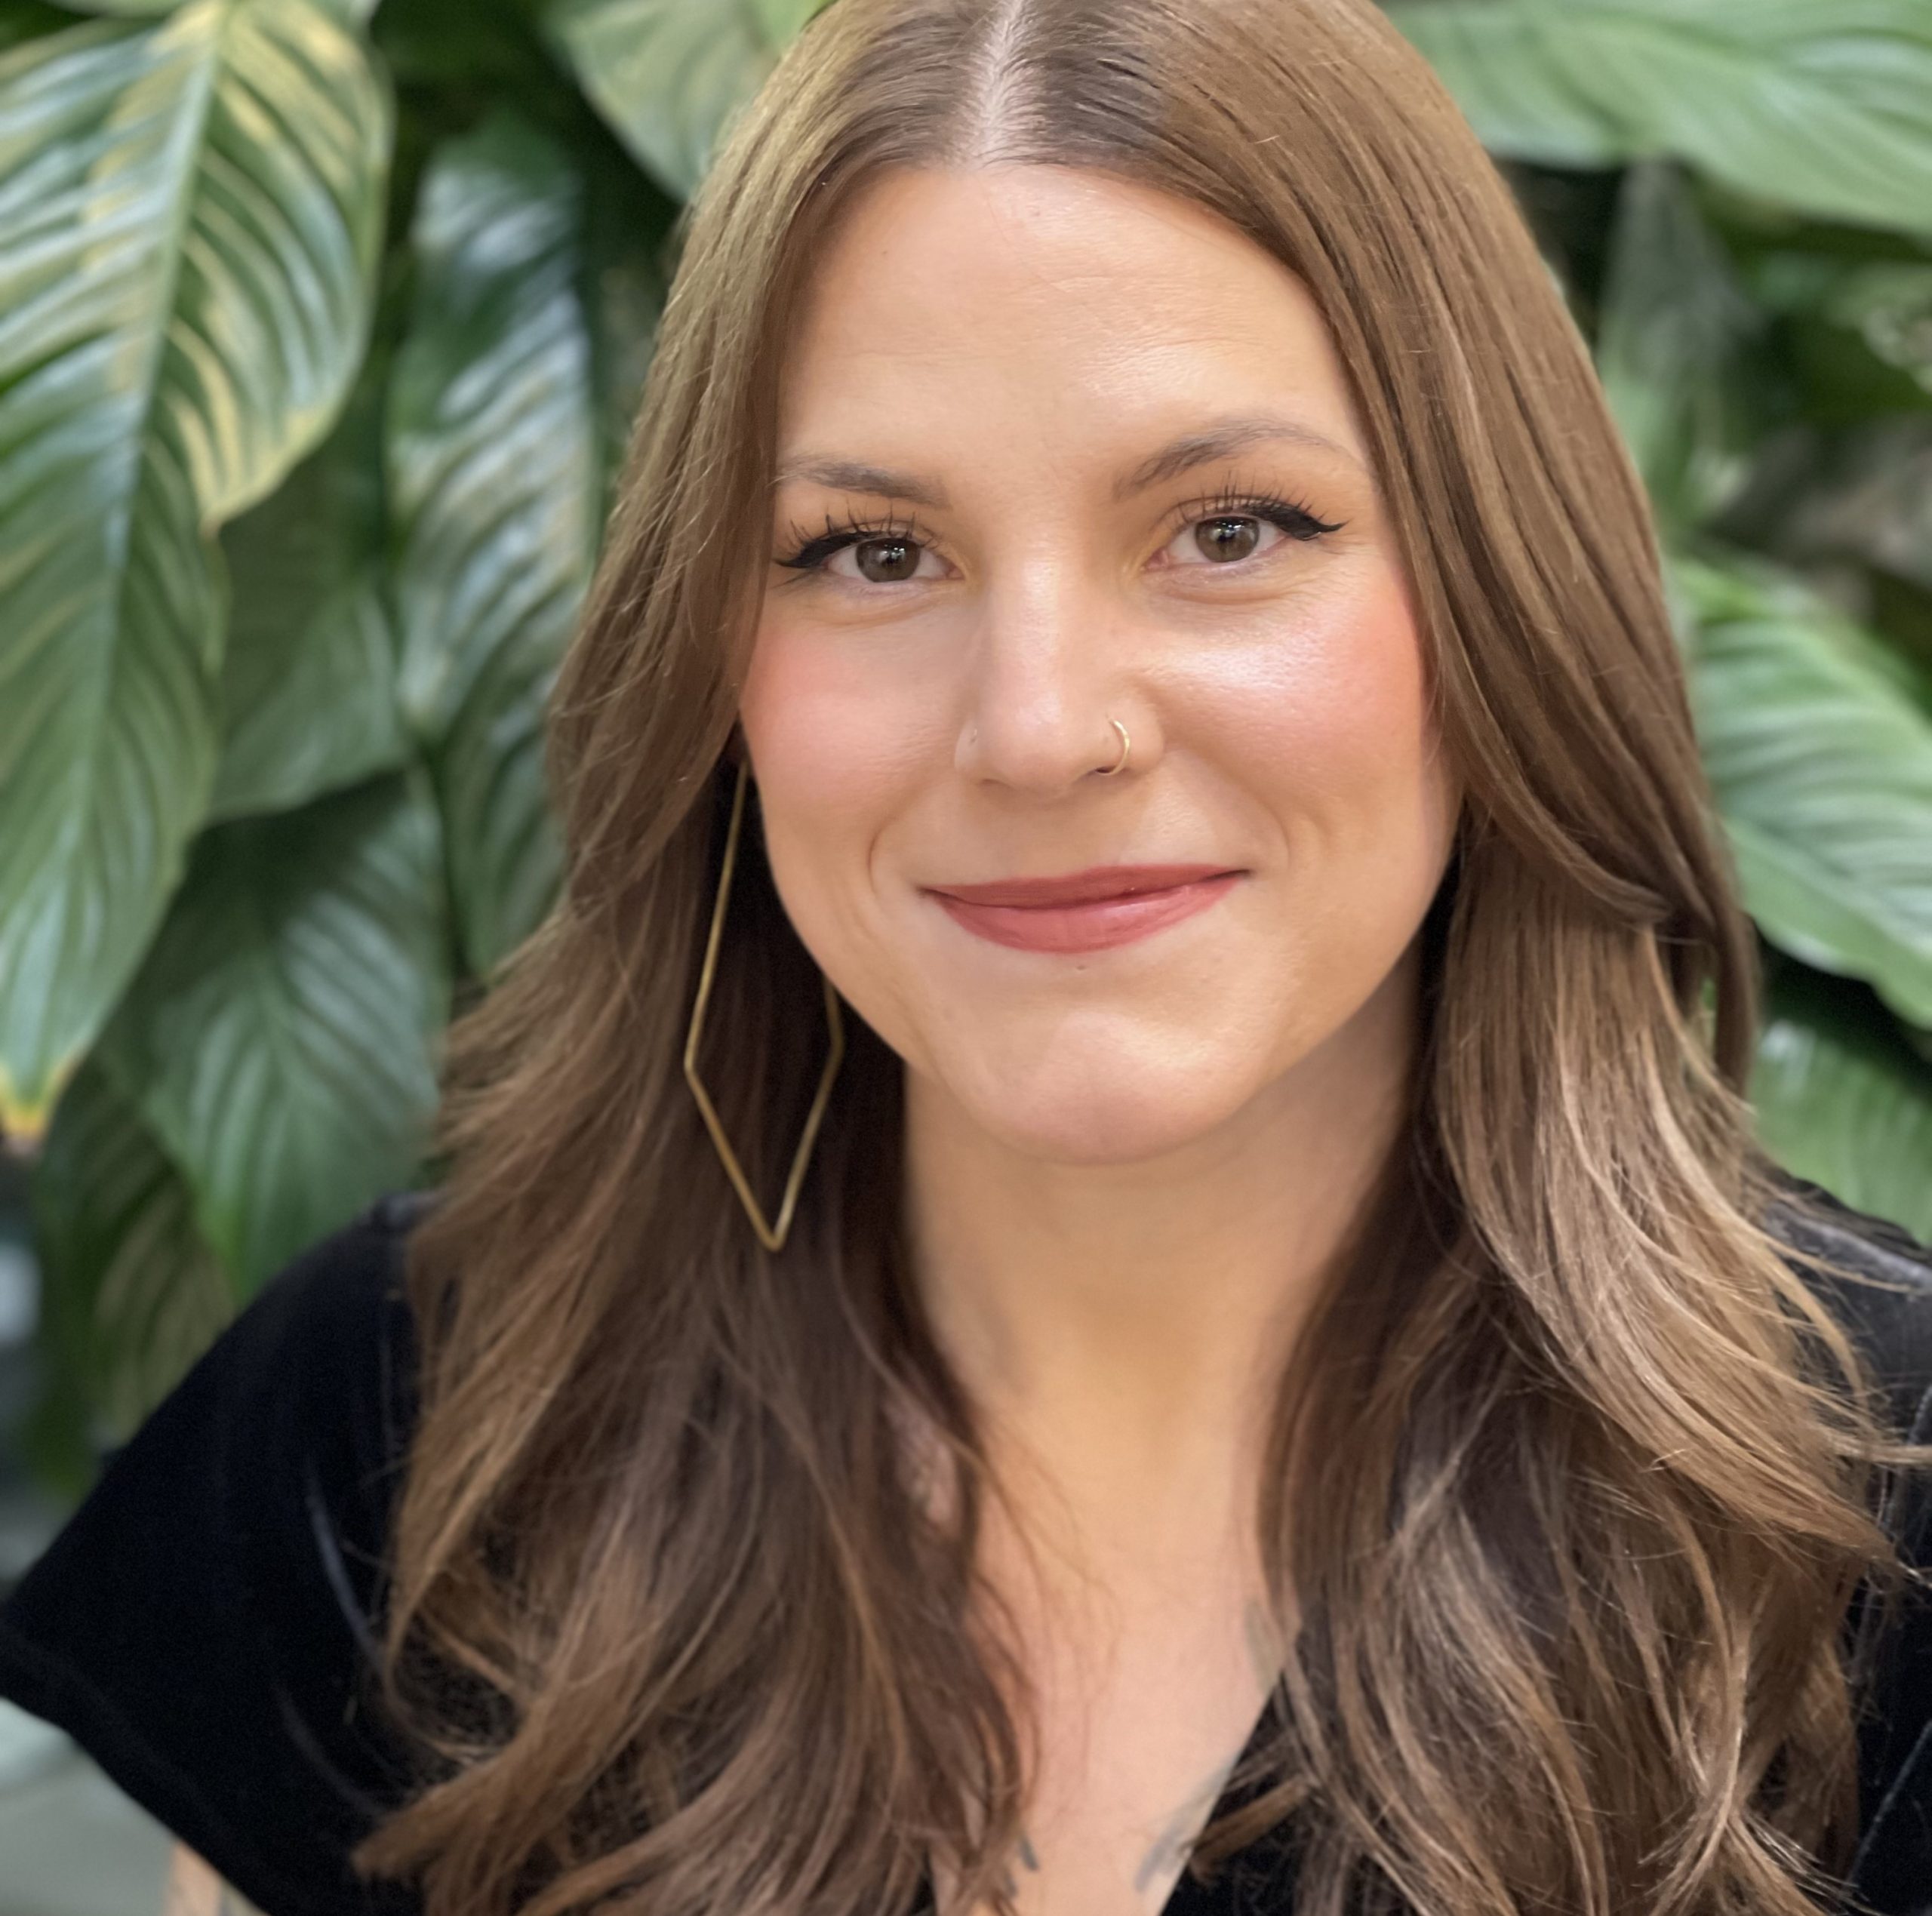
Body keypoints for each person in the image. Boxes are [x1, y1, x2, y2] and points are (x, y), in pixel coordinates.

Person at [5, 1, 1932, 1912]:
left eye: (1229, 527)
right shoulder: (406, 1426)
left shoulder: (1886, 1525)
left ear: (1498, 585)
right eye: (869, 551)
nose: (1035, 726)